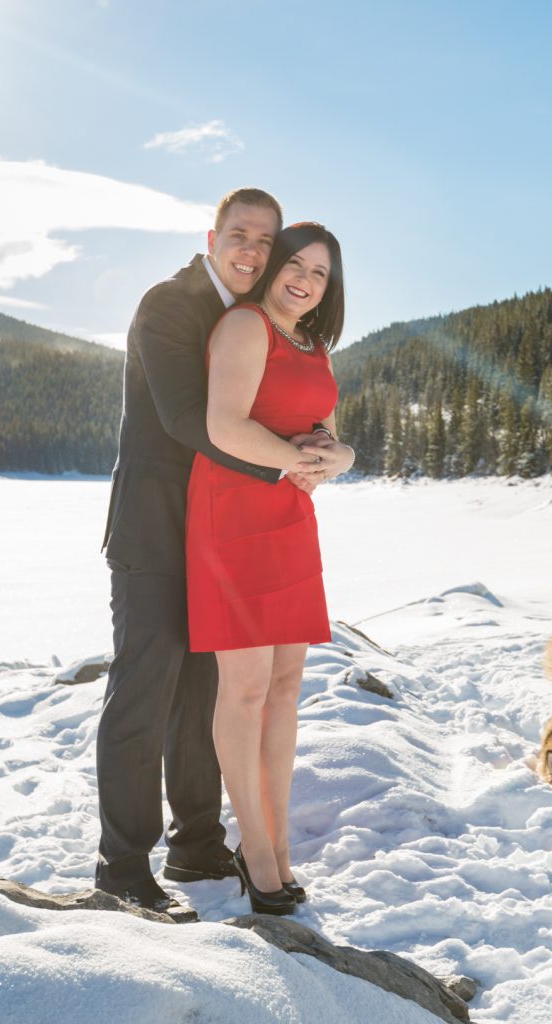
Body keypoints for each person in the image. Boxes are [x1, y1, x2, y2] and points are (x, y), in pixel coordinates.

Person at [97, 191, 353, 913]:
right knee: (143, 694)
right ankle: (120, 865)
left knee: (208, 691)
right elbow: (189, 419)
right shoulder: (171, 304)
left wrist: (325, 456)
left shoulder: (250, 315)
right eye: (238, 236)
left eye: (262, 241)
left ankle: (199, 841)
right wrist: (291, 462)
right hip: (156, 528)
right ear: (213, 238)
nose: (250, 250)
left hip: (217, 532)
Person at [186, 222, 351, 915]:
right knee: (246, 693)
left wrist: (336, 460)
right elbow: (224, 426)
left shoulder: (314, 345)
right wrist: (303, 461)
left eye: (320, 272)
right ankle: (254, 854)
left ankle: (278, 845)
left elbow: (329, 438)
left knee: (285, 689)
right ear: (273, 267)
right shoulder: (244, 326)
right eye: (297, 264)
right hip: (233, 514)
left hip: (288, 517)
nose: (306, 280)